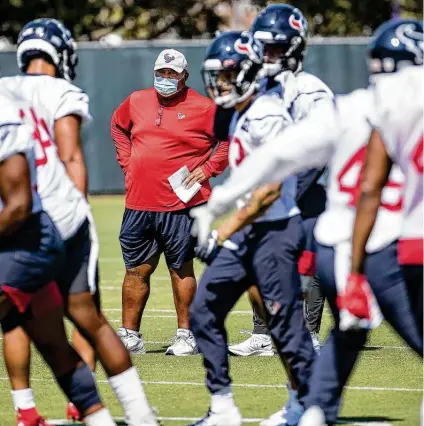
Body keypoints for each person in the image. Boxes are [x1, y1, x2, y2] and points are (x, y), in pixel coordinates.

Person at [194, 18, 423, 426]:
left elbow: (279, 157)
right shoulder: (397, 105)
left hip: (333, 234)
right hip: (388, 240)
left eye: (277, 49)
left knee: (342, 329)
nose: (269, 59)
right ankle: (304, 406)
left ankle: (313, 408)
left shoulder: (340, 103)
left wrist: (221, 205)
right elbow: (367, 185)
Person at [0, 18, 158, 426]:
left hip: (23, 220)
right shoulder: (62, 90)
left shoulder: (5, 89)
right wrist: (77, 207)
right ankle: (135, 414)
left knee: (20, 318)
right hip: (61, 215)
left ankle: (28, 410)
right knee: (88, 317)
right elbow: (70, 154)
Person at [189, 31, 315, 426]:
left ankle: (309, 406)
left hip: (273, 232)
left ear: (248, 72)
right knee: (204, 309)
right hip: (245, 233)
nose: (220, 84)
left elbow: (269, 190)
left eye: (227, 75)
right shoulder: (239, 112)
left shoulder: (269, 115)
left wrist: (222, 227)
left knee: (285, 327)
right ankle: (223, 408)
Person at [0, 87, 117, 426]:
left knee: (70, 318)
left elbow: (20, 204)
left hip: (27, 239)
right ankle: (93, 414)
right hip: (39, 233)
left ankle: (31, 411)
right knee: (56, 341)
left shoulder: (10, 113)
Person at [227, 4, 331, 363]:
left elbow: (320, 153)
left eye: (277, 47)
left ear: (295, 46)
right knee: (262, 262)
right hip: (270, 191)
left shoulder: (310, 90)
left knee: (305, 264)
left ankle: (310, 333)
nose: (269, 55)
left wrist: (289, 192)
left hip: (306, 189)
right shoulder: (260, 86)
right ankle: (263, 333)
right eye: (264, 46)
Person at [111, 48, 229, 356]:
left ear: (184, 77)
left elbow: (229, 139)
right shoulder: (137, 100)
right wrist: (128, 162)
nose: (165, 79)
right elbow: (118, 127)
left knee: (181, 269)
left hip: (181, 204)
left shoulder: (205, 107)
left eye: (172, 74)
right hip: (139, 202)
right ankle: (130, 335)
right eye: (160, 73)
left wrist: (207, 169)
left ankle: (186, 335)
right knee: (136, 269)